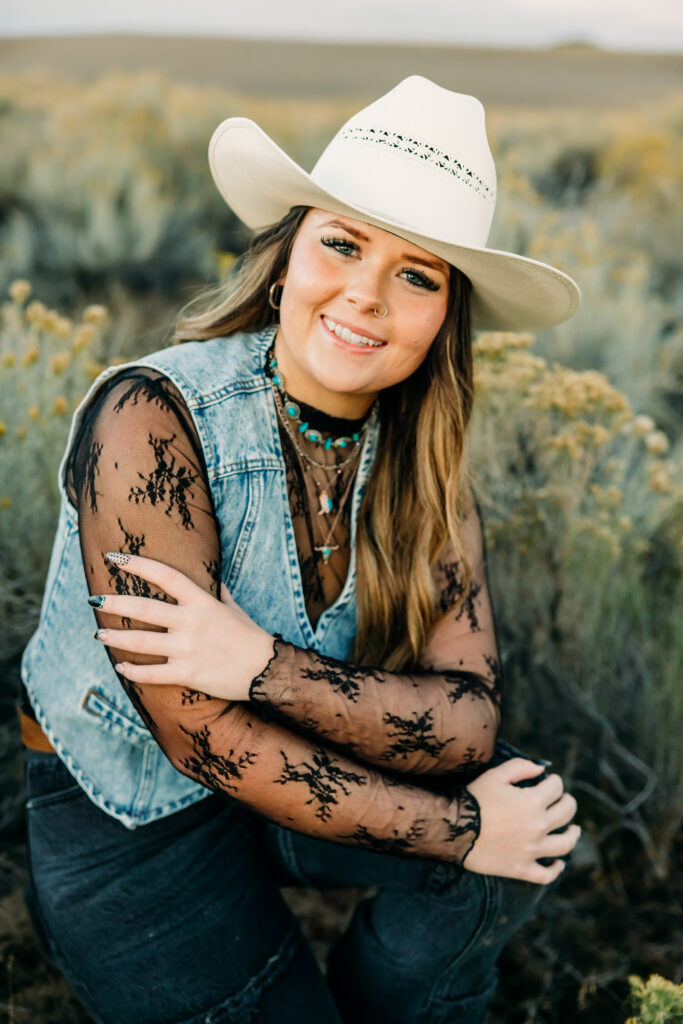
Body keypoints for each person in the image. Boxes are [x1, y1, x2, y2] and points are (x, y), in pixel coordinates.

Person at [19, 76, 582, 1023]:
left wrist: (262, 666)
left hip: (303, 760)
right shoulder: (151, 419)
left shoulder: (422, 463)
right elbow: (202, 735)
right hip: (129, 817)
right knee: (487, 829)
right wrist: (457, 830)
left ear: (444, 316)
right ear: (283, 261)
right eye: (340, 243)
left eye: (416, 273)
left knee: (525, 810)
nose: (364, 295)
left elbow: (468, 721)